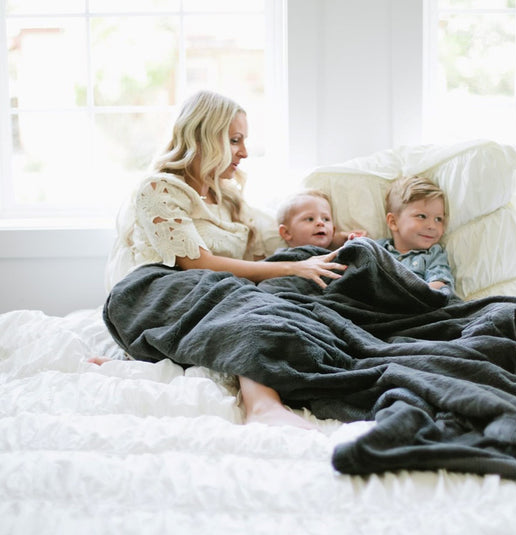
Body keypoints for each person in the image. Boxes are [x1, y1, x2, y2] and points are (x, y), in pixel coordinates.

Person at [99, 90, 350, 430]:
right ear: (202, 138)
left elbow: (280, 234)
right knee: (250, 304)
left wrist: (336, 237)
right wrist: (292, 266)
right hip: (154, 292)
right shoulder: (159, 189)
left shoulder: (227, 196)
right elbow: (196, 264)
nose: (244, 153)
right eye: (234, 140)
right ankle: (262, 404)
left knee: (289, 304)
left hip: (213, 291)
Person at [376, 175, 455, 291]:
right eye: (422, 216)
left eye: (438, 219)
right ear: (393, 222)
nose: (432, 226)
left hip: (416, 303)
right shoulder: (377, 248)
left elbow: (440, 283)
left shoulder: (433, 254)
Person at [277, 189, 367, 250]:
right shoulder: (282, 261)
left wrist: (358, 242)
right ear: (286, 233)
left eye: (326, 219)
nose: (320, 223)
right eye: (310, 219)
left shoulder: (340, 253)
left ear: (333, 230)